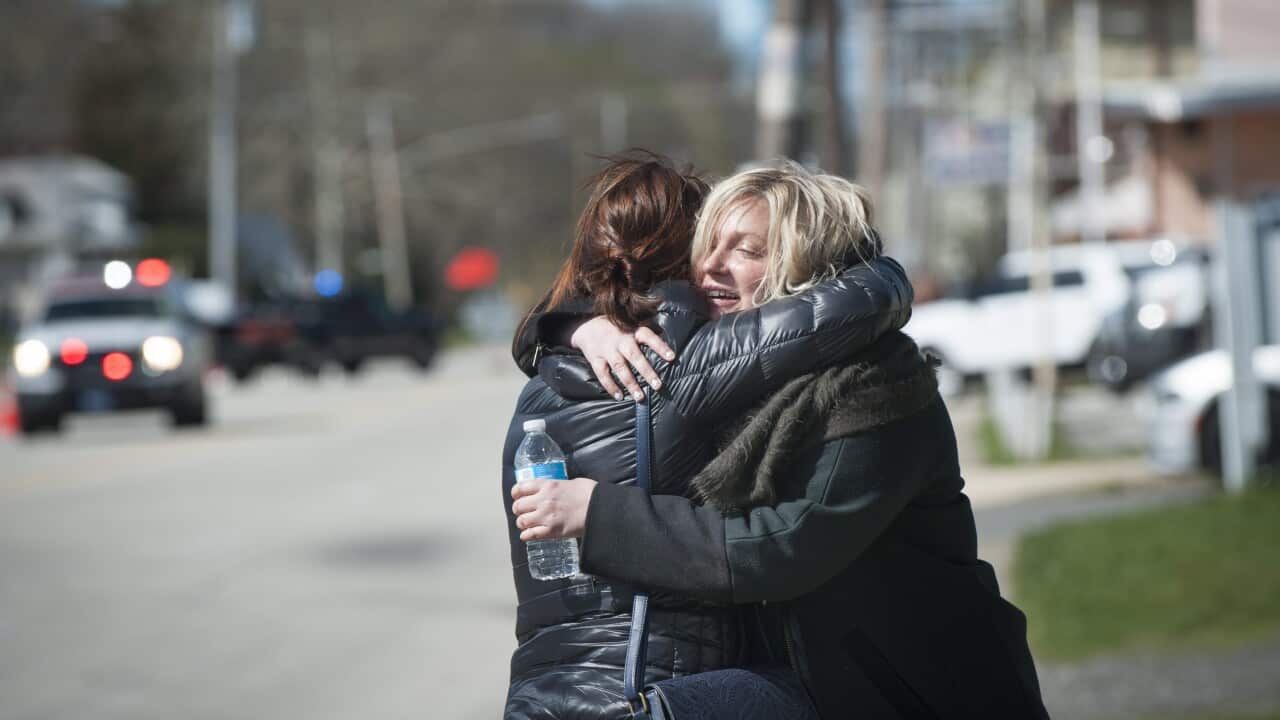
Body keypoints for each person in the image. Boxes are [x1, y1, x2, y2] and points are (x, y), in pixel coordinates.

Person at [511, 164, 1050, 718]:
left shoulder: (876, 384)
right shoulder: (748, 372)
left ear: (806, 264)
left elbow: (782, 547)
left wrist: (599, 515)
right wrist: (576, 326)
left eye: (747, 250)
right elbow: (619, 275)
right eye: (708, 244)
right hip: (820, 682)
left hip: (921, 688)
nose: (712, 267)